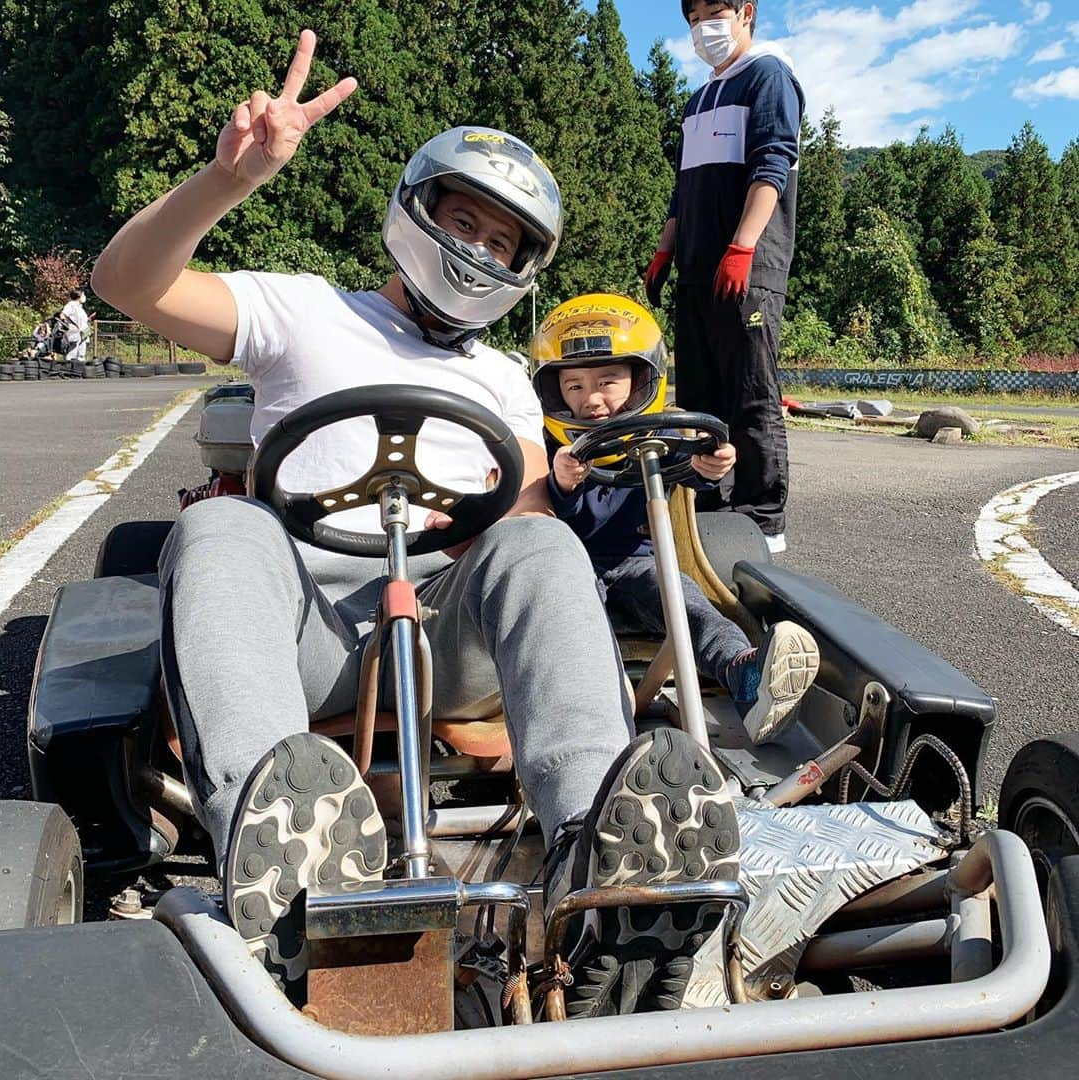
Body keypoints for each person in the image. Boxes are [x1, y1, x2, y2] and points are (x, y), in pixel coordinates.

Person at [91, 30, 741, 1017]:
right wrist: (224, 183)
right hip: (301, 626)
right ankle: (289, 884)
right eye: (464, 221)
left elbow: (528, 534)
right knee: (221, 534)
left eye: (502, 241)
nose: (479, 250)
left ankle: (599, 874)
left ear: (523, 264)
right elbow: (124, 285)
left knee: (538, 543)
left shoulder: (500, 382)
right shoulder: (303, 312)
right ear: (416, 210)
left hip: (443, 640)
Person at [531, 294, 819, 744]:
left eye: (608, 381)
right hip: (567, 569)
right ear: (553, 390)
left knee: (689, 604)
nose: (592, 399)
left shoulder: (663, 431)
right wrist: (563, 483)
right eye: (575, 386)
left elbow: (695, 473)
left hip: (637, 564)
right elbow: (538, 509)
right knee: (572, 633)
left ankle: (744, 675)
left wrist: (711, 466)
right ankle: (588, 725)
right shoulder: (546, 446)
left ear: (641, 378)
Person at [644, 0, 804, 555]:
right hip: (696, 266)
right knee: (699, 395)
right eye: (692, 19)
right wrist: (666, 251)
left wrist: (742, 246)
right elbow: (682, 188)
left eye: (714, 12)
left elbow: (773, 165)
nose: (702, 28)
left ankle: (763, 517)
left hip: (747, 265)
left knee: (751, 391)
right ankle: (707, 502)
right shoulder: (697, 100)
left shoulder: (768, 75)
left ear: (745, 12)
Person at [59, 288, 90, 362]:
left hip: (83, 333)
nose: (84, 297)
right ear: (79, 296)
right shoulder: (71, 305)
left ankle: (78, 368)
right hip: (74, 333)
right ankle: (68, 367)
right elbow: (62, 315)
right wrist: (69, 325)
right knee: (72, 352)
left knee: (81, 354)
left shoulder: (80, 307)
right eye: (83, 295)